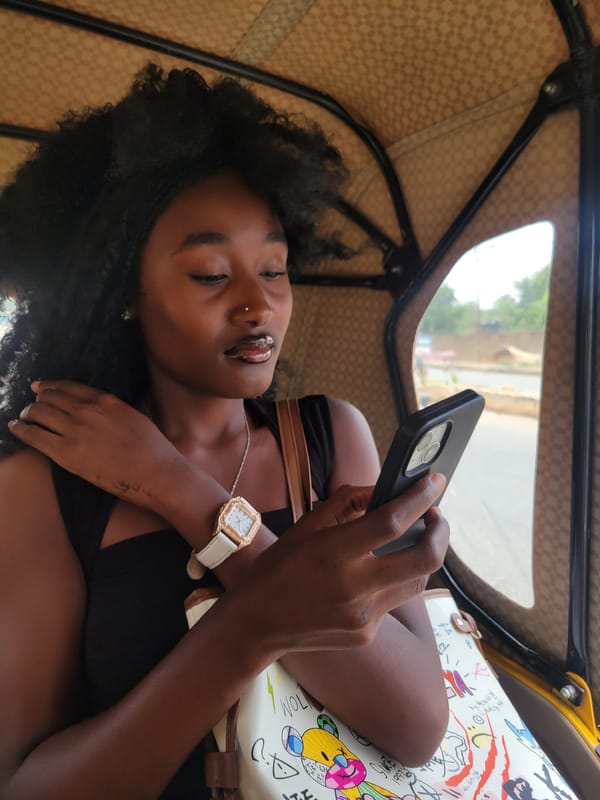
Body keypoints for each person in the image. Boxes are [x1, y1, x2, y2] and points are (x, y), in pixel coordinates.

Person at [0, 65, 450, 799]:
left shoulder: (332, 436)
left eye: (274, 269)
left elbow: (419, 726)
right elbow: (24, 784)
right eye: (211, 274)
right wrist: (252, 627)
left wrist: (181, 492)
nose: (259, 305)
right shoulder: (39, 482)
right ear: (125, 295)